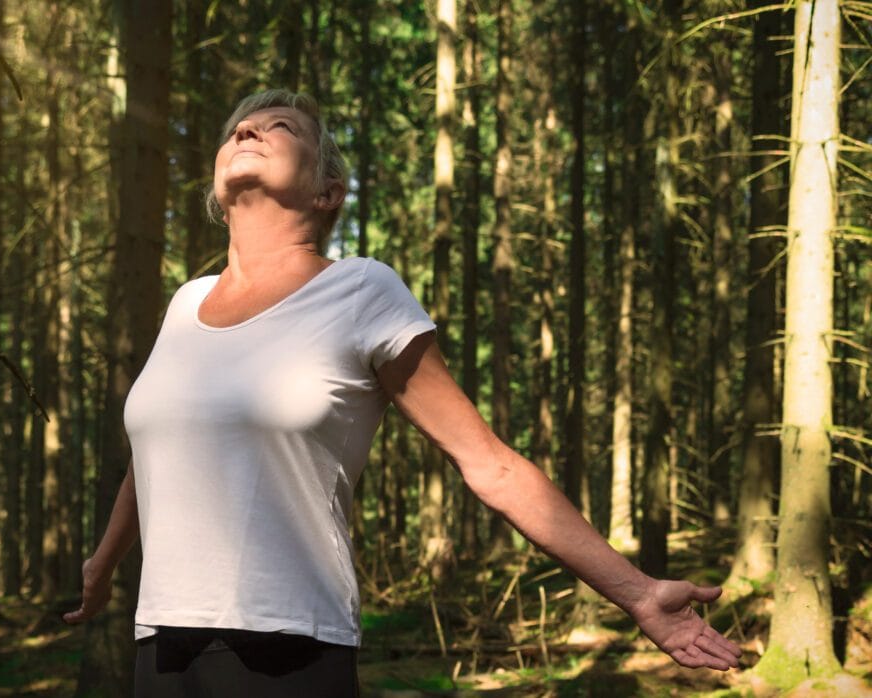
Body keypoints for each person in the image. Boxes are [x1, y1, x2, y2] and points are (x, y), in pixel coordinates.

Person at [64, 89, 742, 696]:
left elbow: (490, 463)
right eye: (238, 126)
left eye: (279, 127)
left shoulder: (362, 291)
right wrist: (104, 562)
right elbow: (163, 447)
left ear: (328, 191)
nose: (248, 130)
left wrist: (638, 593)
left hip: (288, 646)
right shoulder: (186, 304)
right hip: (161, 647)